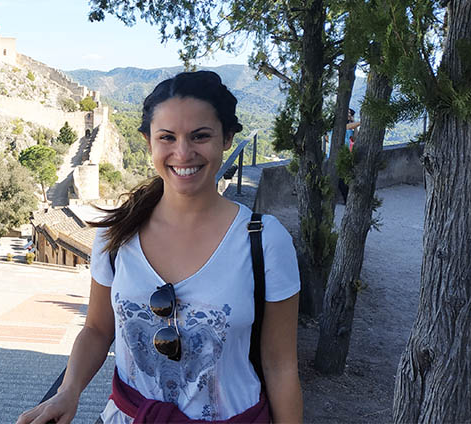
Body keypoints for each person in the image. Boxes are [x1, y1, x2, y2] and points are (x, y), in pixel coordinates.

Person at [17, 71, 302, 424]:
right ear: (148, 141)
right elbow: (97, 330)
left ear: (227, 138)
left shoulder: (264, 241)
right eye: (167, 137)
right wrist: (69, 390)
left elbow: (281, 365)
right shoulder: (115, 236)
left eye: (200, 136)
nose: (183, 153)